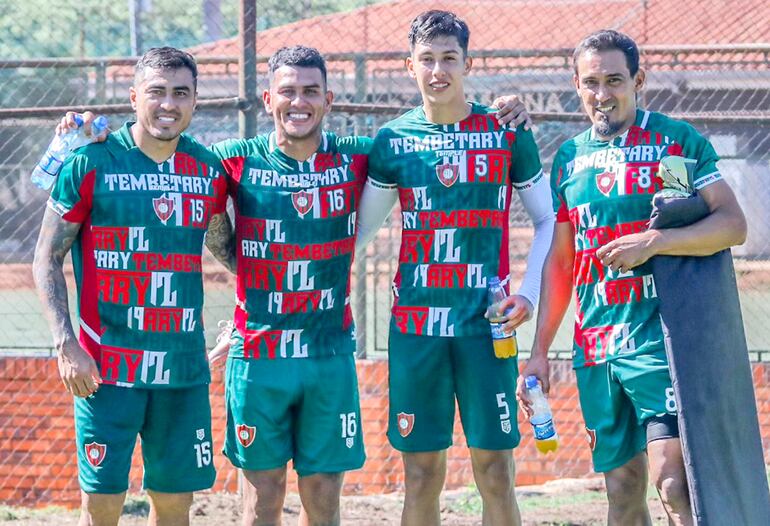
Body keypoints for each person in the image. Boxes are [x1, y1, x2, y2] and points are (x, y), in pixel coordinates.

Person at [63, 44, 530, 525]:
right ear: (268, 99)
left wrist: (501, 111)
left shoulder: (362, 155)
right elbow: (170, 167)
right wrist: (86, 131)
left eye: (311, 91)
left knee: (324, 498)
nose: (299, 102)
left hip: (328, 354)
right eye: (288, 91)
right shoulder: (229, 161)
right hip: (258, 357)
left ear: (329, 100)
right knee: (262, 499)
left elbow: (430, 138)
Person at [518, 29, 747, 526]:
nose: (602, 94)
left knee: (674, 482)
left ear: (638, 81)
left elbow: (730, 225)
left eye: (614, 81)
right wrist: (538, 351)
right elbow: (561, 263)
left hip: (661, 338)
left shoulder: (670, 145)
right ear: (576, 86)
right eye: (591, 82)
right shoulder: (570, 159)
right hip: (596, 345)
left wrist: (655, 242)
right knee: (622, 491)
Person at [355, 10, 555, 525]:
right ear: (410, 66)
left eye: (449, 58)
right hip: (416, 330)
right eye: (427, 59)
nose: (438, 70)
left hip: (486, 329)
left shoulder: (505, 130)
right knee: (421, 475)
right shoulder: (392, 140)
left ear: (468, 63)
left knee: (495, 473)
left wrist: (529, 294)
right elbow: (357, 236)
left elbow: (548, 221)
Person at [33, 47, 234, 526]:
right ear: (133, 97)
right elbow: (46, 257)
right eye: (156, 92)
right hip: (105, 370)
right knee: (102, 505)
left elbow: (233, 253)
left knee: (175, 505)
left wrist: (249, 321)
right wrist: (66, 344)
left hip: (182, 372)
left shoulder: (207, 171)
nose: (168, 104)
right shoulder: (90, 161)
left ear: (195, 101)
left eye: (180, 93)